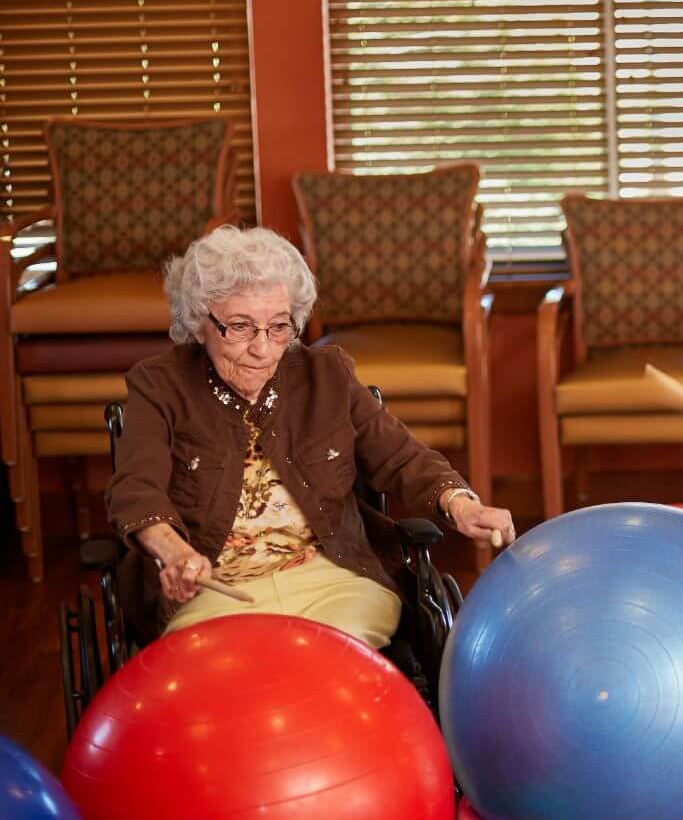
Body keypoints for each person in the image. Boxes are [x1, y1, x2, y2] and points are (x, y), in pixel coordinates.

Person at [107, 226, 515, 649]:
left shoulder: (327, 374)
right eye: (241, 327)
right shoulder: (160, 386)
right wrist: (174, 553)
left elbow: (402, 457)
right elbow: (138, 489)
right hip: (215, 591)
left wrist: (460, 503)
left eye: (279, 327)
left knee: (335, 658)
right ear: (199, 322)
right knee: (226, 671)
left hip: (332, 580)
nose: (263, 349)